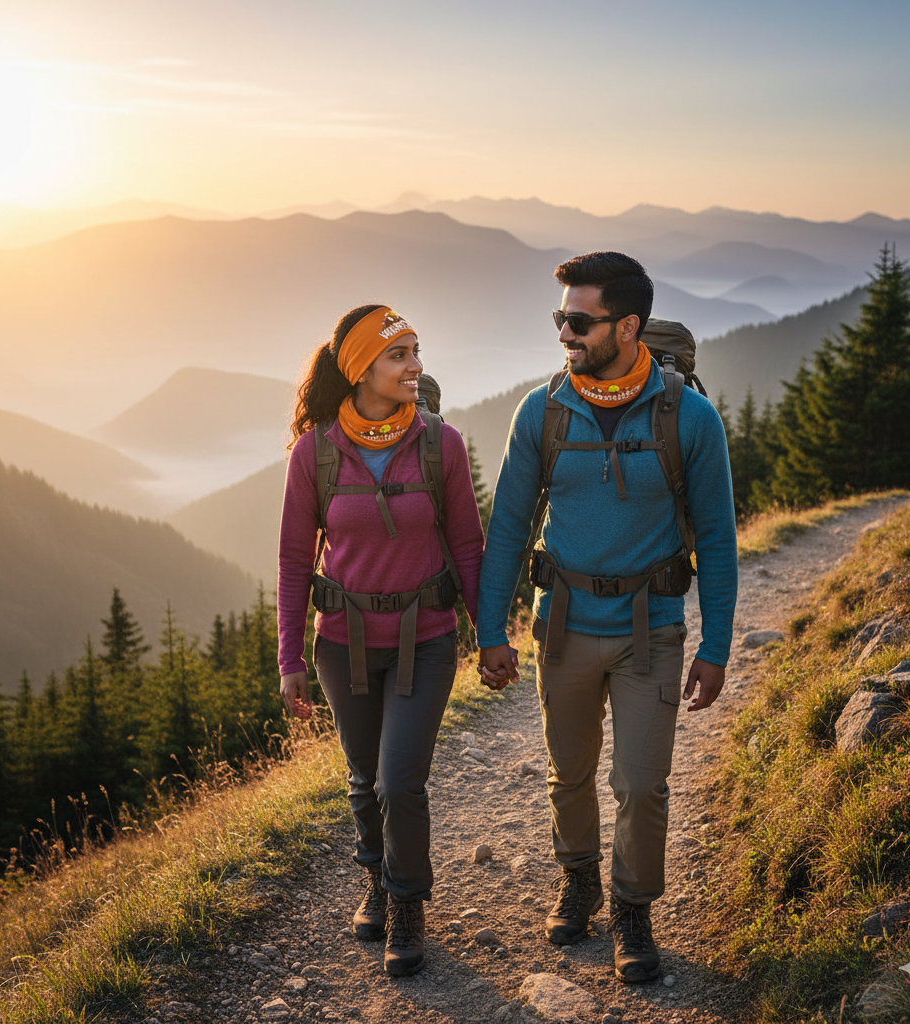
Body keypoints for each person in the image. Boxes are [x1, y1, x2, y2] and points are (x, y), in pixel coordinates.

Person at [476, 252, 737, 983]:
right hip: (561, 624)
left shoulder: (690, 418)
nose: (565, 332)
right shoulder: (542, 412)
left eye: (579, 320)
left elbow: (717, 536)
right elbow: (508, 529)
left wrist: (716, 645)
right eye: (559, 318)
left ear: (628, 325)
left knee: (642, 782)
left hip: (650, 628)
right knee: (570, 773)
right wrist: (490, 630)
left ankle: (632, 909)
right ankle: (580, 877)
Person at [278, 304, 484, 977]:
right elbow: (291, 560)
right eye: (399, 355)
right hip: (343, 642)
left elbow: (467, 544)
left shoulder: (439, 444)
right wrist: (289, 658)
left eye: (416, 351)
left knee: (401, 781)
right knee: (364, 779)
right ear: (360, 367)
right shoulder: (315, 453)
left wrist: (492, 634)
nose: (415, 366)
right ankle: (377, 876)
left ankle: (406, 904)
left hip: (426, 637)